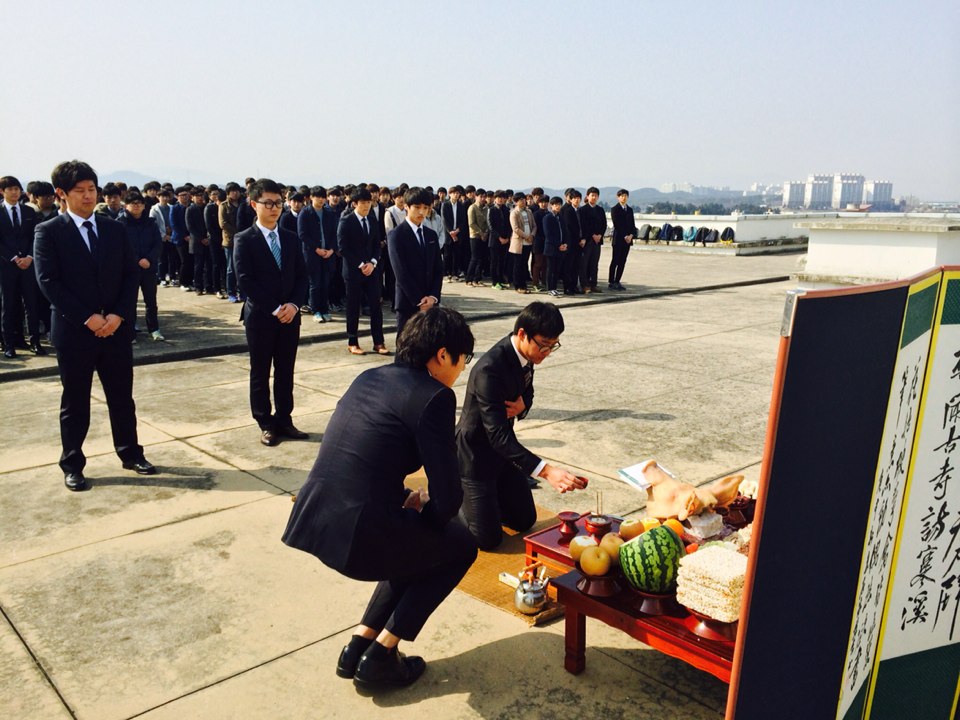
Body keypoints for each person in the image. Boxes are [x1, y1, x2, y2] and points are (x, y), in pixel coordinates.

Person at [282, 307, 478, 691]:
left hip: (316, 518)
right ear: (442, 355)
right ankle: (382, 655)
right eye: (462, 359)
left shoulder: (369, 376)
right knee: (458, 545)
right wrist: (426, 509)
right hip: (359, 536)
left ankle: (359, 645)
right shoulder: (435, 396)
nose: (461, 369)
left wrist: (406, 502)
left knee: (417, 539)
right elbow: (448, 496)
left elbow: (360, 460)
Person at [33, 160, 156, 491]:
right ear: (61, 193)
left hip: (115, 329)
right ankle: (72, 463)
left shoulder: (114, 228)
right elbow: (49, 281)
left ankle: (130, 453)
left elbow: (130, 273)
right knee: (75, 402)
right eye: (80, 191)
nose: (88, 196)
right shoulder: (49, 231)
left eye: (92, 189)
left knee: (122, 397)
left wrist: (118, 315)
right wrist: (88, 318)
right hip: (75, 331)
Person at [457, 302, 586, 549]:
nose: (546, 353)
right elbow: (497, 436)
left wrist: (523, 405)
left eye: (553, 346)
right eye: (543, 345)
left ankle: (487, 502)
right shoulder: (489, 369)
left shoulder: (527, 355)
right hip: (475, 456)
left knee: (524, 519)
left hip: (503, 454)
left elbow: (528, 391)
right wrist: (547, 471)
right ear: (523, 334)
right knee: (487, 539)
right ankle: (454, 499)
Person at [233, 178, 309, 447]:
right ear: (254, 204)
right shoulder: (244, 239)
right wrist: (276, 308)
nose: (274, 208)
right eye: (268, 203)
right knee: (261, 371)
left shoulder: (290, 238)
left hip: (290, 317)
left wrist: (294, 305)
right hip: (261, 318)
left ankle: (284, 419)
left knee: (286, 370)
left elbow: (302, 276)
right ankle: (265, 423)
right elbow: (245, 280)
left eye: (278, 203)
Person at [386, 187, 443, 337]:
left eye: (425, 208)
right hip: (408, 302)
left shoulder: (431, 235)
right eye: (417, 207)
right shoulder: (396, 235)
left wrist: (433, 296)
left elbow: (438, 268)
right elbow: (401, 272)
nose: (421, 212)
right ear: (406, 206)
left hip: (431, 303)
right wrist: (419, 300)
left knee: (429, 344)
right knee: (406, 345)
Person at [338, 188, 387, 356]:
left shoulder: (372, 220)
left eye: (369, 202)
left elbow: (377, 245)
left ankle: (378, 342)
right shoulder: (346, 221)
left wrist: (372, 262)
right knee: (353, 307)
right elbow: (343, 248)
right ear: (354, 204)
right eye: (363, 203)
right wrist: (361, 264)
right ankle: (352, 342)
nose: (366, 206)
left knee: (376, 306)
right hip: (353, 271)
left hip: (372, 270)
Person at [0, 176, 43, 357]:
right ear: (2, 191)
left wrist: (29, 257)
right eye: (10, 189)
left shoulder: (29, 211)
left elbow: (36, 236)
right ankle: (9, 344)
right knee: (8, 306)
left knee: (31, 304)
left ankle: (35, 342)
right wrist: (13, 258)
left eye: (17, 189)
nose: (14, 192)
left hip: (28, 264)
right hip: (6, 266)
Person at [117, 191, 164, 341]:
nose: (136, 206)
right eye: (132, 203)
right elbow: (120, 247)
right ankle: (130, 331)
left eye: (139, 203)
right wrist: (137, 260)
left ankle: (154, 330)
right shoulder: (120, 224)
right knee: (130, 301)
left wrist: (149, 259)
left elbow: (157, 244)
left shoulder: (151, 223)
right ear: (126, 206)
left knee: (151, 301)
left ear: (144, 206)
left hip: (148, 268)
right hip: (129, 269)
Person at [298, 186, 336, 323]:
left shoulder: (329, 213)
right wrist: (316, 249)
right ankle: (316, 311)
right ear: (311, 197)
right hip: (312, 254)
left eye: (323, 197)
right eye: (317, 197)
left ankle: (324, 309)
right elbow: (302, 234)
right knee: (315, 284)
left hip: (327, 253)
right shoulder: (305, 213)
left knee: (325, 283)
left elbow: (334, 233)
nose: (321, 200)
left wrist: (331, 250)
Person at [578, 186, 607, 294]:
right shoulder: (582, 210)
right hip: (587, 240)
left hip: (597, 241)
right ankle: (584, 285)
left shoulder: (600, 210)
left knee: (594, 264)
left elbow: (604, 224)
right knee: (584, 263)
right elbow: (583, 225)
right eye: (592, 195)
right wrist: (592, 235)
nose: (594, 197)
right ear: (587, 196)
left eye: (596, 196)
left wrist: (600, 235)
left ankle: (593, 284)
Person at [609, 188, 638, 290]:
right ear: (618, 197)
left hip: (628, 240)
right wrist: (625, 235)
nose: (624, 198)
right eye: (621, 196)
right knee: (615, 260)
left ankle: (617, 281)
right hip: (618, 239)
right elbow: (617, 224)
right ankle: (611, 282)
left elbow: (632, 224)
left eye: (625, 196)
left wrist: (631, 235)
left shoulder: (629, 210)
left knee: (622, 261)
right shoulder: (615, 209)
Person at [508, 192, 536, 294]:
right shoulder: (514, 213)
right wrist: (526, 236)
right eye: (521, 200)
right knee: (518, 265)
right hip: (519, 243)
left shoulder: (529, 212)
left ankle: (523, 285)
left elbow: (534, 225)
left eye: (524, 199)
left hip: (528, 242)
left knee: (524, 264)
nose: (523, 201)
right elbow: (515, 228)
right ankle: (518, 286)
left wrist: (532, 235)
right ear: (516, 202)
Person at [542, 197, 567, 297]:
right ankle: (550, 288)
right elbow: (548, 234)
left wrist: (565, 244)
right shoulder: (547, 218)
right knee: (551, 269)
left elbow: (565, 232)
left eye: (559, 204)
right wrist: (558, 245)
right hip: (551, 248)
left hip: (561, 248)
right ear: (551, 206)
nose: (557, 206)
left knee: (557, 270)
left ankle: (554, 288)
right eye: (555, 205)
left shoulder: (561, 218)